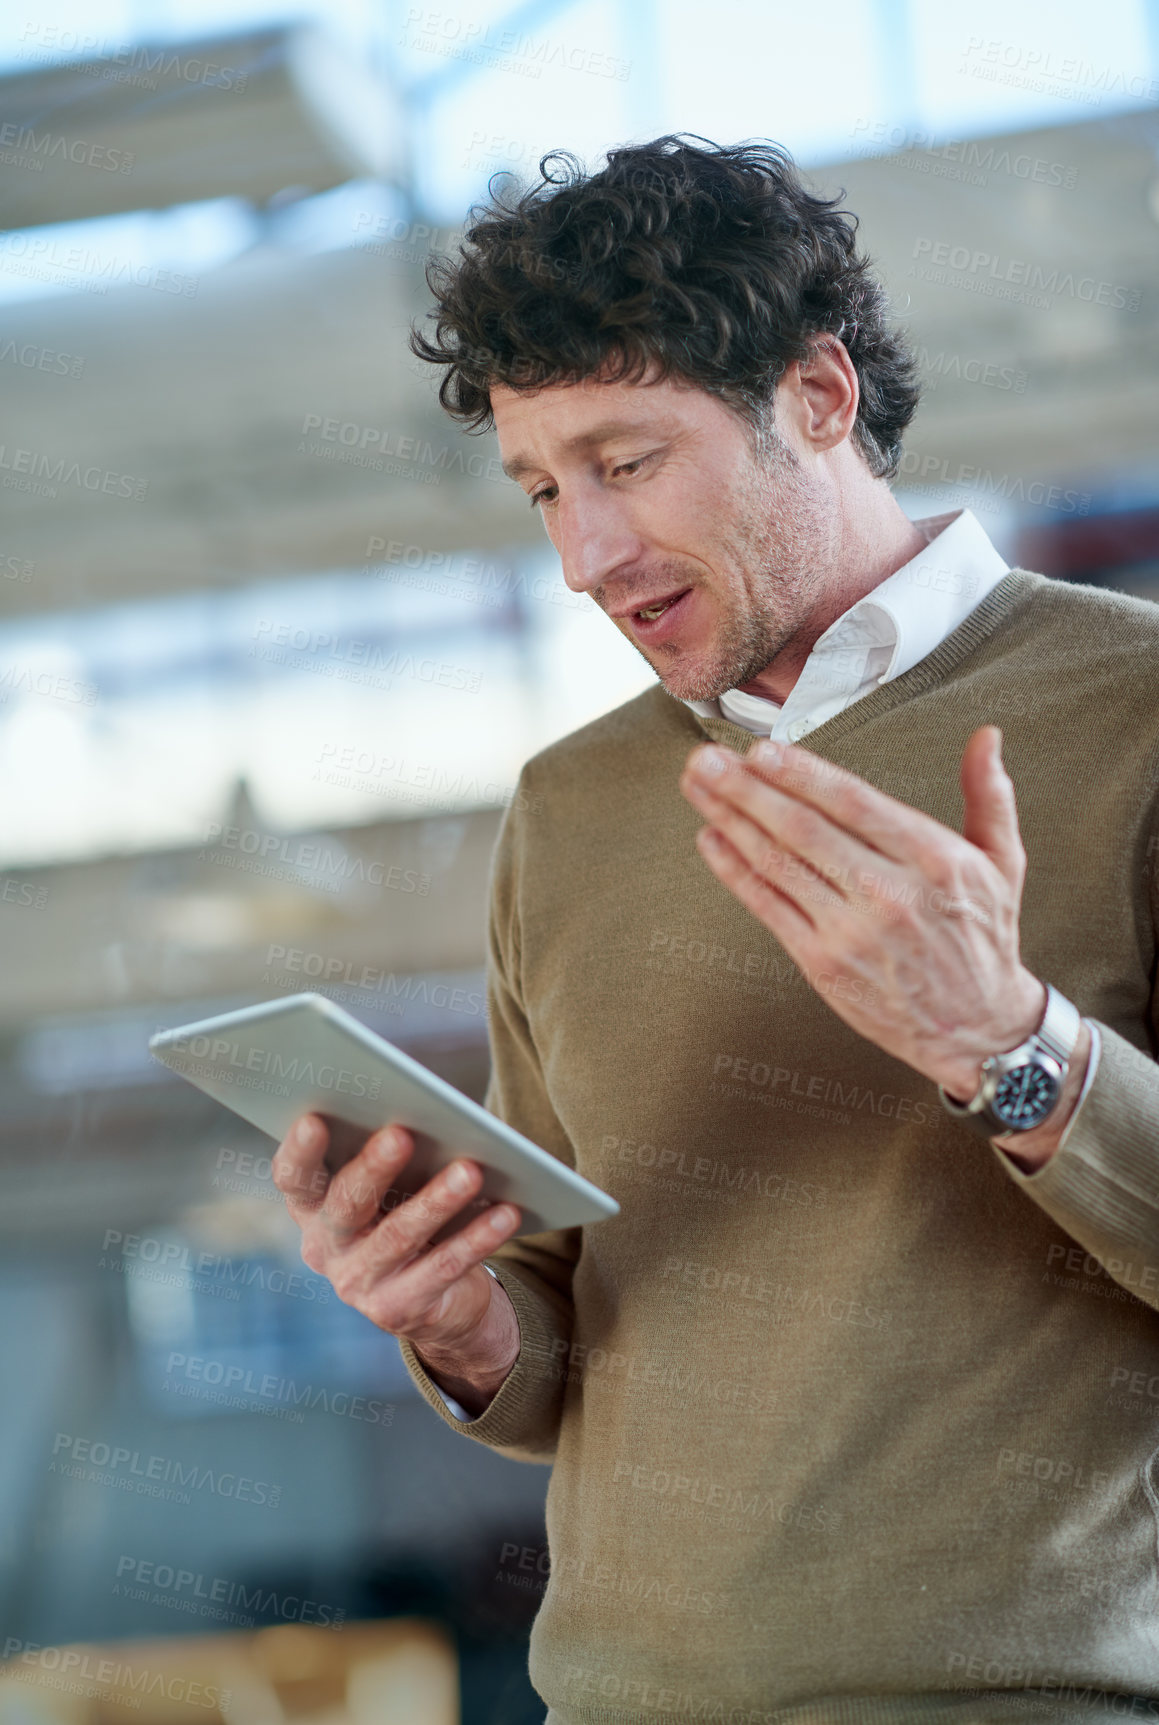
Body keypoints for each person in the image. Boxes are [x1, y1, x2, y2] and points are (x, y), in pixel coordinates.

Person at [272, 138, 1159, 1720]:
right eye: (543, 487)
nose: (581, 557)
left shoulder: (1136, 714)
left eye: (626, 462)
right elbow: (562, 1341)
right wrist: (457, 1315)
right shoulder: (570, 807)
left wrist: (1014, 1048)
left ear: (817, 397)